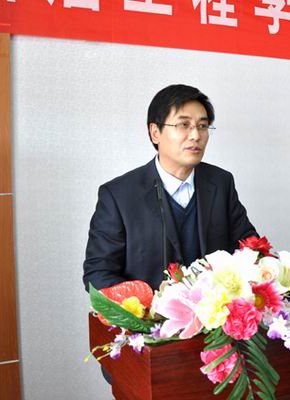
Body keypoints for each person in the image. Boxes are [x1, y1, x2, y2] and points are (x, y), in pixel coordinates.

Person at [83, 84, 258, 292]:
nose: (196, 135)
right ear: (155, 132)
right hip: (148, 312)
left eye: (203, 126)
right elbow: (98, 274)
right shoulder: (118, 196)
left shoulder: (221, 183)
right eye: (184, 125)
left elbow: (250, 247)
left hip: (215, 310)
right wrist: (149, 304)